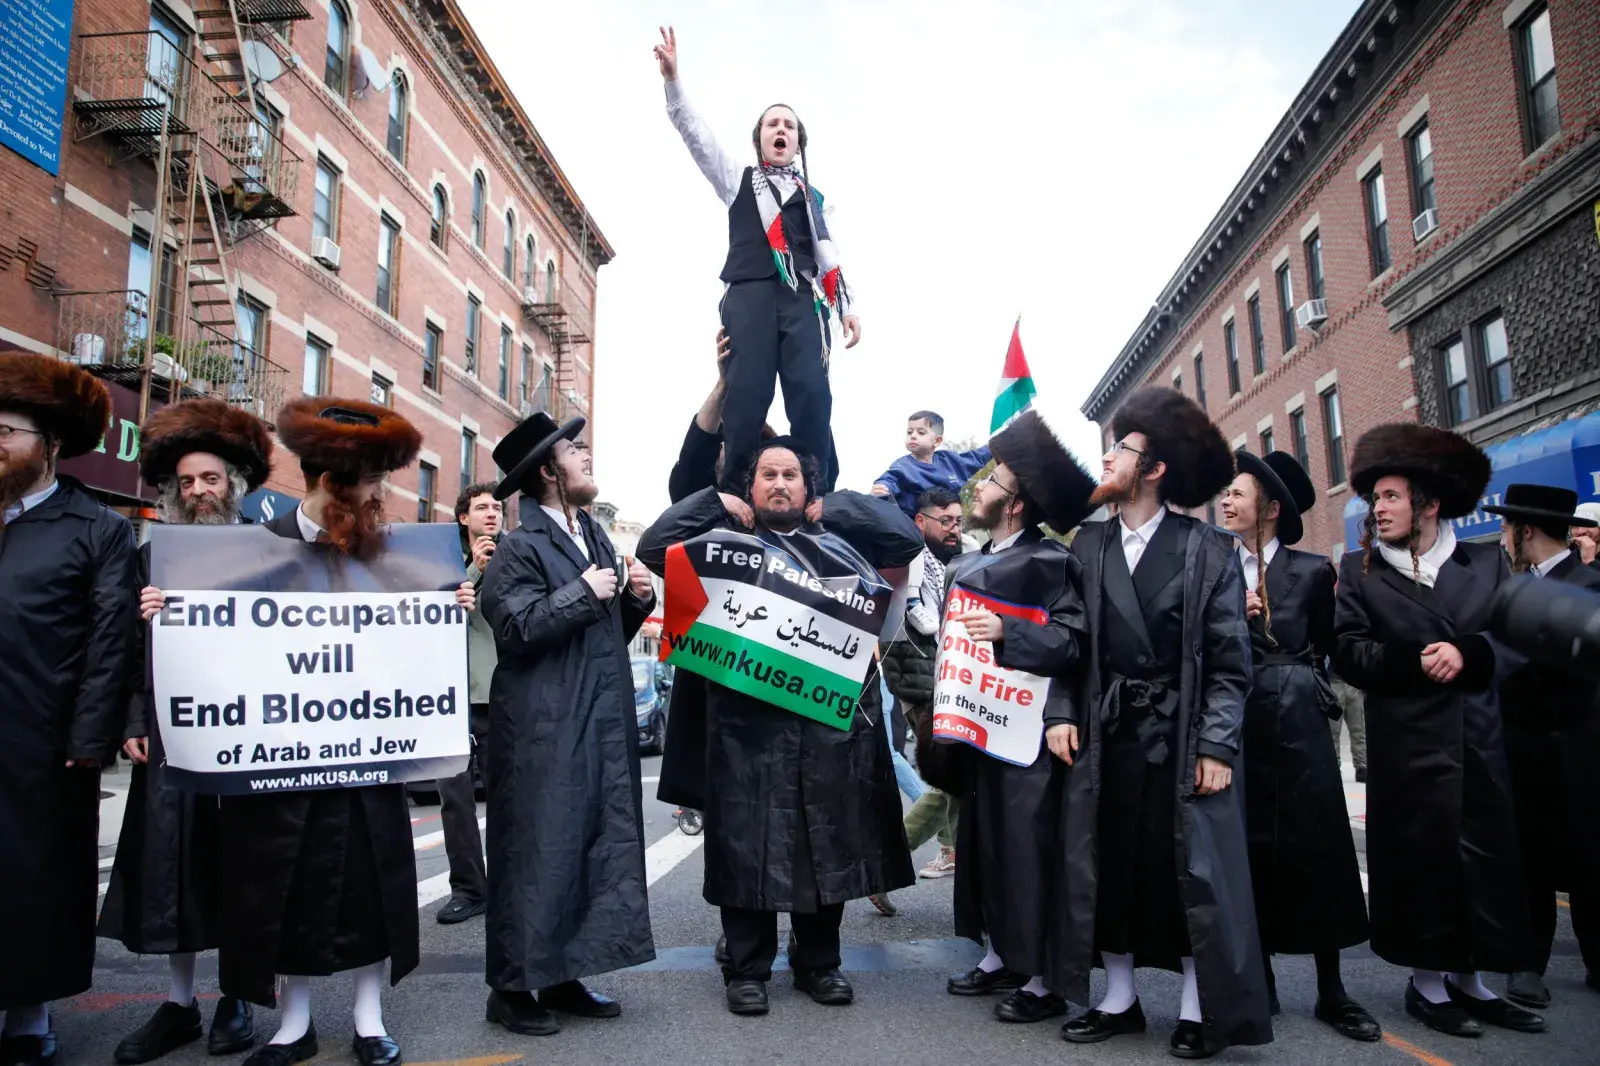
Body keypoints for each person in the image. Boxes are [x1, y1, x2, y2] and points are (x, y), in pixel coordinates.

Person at [209, 397, 471, 1066]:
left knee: (369, 887)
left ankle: (368, 1017)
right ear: (331, 483)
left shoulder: (395, 557)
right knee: (286, 886)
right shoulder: (254, 554)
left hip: (368, 756)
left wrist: (451, 605)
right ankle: (291, 1026)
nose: (381, 497)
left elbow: (417, 654)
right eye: (372, 484)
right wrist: (171, 611)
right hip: (285, 758)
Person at [638, 438, 921, 1016]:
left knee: (827, 844)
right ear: (752, 488)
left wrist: (835, 507)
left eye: (791, 474)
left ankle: (819, 963)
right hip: (746, 731)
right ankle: (747, 969)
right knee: (747, 848)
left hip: (829, 729)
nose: (779, 484)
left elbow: (907, 538)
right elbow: (652, 548)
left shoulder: (839, 544)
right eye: (767, 474)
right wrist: (716, 503)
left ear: (806, 487)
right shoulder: (723, 547)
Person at [1061, 386, 1270, 1060]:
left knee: (1187, 872)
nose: (1108, 458)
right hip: (1108, 732)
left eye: (1121, 449)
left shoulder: (1209, 549)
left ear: (1153, 470)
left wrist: (1216, 742)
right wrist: (1063, 715)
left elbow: (1233, 661)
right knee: (1110, 864)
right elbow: (1070, 645)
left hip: (1180, 738)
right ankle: (1118, 999)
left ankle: (1194, 1005)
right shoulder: (1087, 545)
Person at [1333, 423, 1543, 1039]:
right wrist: (1412, 661)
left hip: (1477, 741)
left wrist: (1472, 653)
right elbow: (1346, 651)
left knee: (1485, 863)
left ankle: (1472, 981)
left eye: (1393, 496)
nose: (1380, 508)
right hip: (1409, 746)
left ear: (1427, 503)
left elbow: (1517, 638)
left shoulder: (1484, 562)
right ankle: (1428, 985)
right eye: (1376, 499)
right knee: (1424, 865)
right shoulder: (1360, 570)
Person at [101, 399, 273, 1063]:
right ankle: (178, 1004)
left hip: (251, 735)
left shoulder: (266, 553)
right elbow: (123, 651)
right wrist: (136, 718)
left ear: (233, 484)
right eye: (188, 483)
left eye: (211, 479)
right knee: (173, 868)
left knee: (240, 865)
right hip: (174, 737)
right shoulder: (151, 561)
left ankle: (236, 997)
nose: (199, 491)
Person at [479, 412, 657, 1036]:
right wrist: (584, 590)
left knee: (586, 849)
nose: (584, 456)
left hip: (598, 723)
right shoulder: (518, 547)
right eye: (573, 451)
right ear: (549, 471)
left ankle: (563, 974)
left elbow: (601, 639)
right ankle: (510, 988)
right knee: (534, 853)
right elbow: (517, 629)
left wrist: (634, 600)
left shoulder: (596, 538)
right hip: (542, 730)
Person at [921, 411, 1096, 1024]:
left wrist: (1009, 630)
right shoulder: (963, 565)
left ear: (1016, 504)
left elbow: (1075, 642)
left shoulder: (1051, 562)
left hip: (1030, 733)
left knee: (1030, 851)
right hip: (977, 732)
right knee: (987, 846)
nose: (978, 490)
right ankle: (999, 954)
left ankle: (1045, 977)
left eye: (991, 481)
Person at [0, 351, 137, 1066]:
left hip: (41, 743)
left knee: (32, 883)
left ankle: (28, 1012)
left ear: (49, 446)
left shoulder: (97, 529)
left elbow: (110, 643)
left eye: (7, 431)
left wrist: (90, 737)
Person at [1218, 450, 1377, 1042]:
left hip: (1302, 716)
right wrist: (1234, 616)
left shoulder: (1312, 571)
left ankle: (1333, 989)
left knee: (1319, 844)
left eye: (1238, 493)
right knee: (1245, 845)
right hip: (1235, 720)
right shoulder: (1214, 568)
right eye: (1225, 493)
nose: (1226, 501)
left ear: (1271, 508)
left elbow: (1335, 647)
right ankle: (1258, 978)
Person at [656, 26, 859, 491]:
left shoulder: (816, 201)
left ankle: (816, 489)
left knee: (811, 388)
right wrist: (673, 80)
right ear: (760, 139)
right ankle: (735, 490)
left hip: (803, 299)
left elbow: (832, 257)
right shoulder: (738, 181)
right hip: (749, 293)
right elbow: (696, 136)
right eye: (773, 124)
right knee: (747, 392)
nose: (781, 130)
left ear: (799, 144)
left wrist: (847, 309)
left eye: (789, 125)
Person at [1484, 484, 1600, 1007]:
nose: (1506, 537)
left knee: (1588, 860)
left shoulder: (1590, 586)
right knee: (1527, 863)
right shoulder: (1510, 589)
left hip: (1578, 748)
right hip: (1522, 750)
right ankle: (1528, 965)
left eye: (1509, 527)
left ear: (1524, 530)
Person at [882, 488, 969, 881]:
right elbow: (906, 617)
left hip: (948, 680)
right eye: (945, 521)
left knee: (951, 778)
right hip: (922, 683)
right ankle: (890, 860)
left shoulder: (956, 555)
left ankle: (890, 859)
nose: (954, 529)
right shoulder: (910, 557)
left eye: (958, 520)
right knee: (950, 776)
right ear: (921, 521)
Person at [433, 483, 505, 926]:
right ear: (464, 517)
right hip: (449, 695)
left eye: (497, 507)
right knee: (454, 797)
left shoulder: (515, 556)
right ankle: (468, 888)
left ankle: (508, 881)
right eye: (482, 507)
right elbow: (438, 610)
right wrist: (474, 570)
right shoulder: (439, 559)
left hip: (498, 692)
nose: (492, 513)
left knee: (505, 794)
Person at [870, 411, 992, 517]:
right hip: (914, 529)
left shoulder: (950, 461)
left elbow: (977, 457)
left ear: (937, 441)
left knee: (970, 544)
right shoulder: (903, 466)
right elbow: (889, 479)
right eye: (909, 432)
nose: (913, 436)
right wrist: (883, 487)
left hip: (948, 527)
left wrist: (997, 444)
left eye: (921, 432)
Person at [1328, 669, 1367, 782]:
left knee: (1359, 728)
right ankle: (1335, 766)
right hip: (1333, 681)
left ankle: (1362, 766)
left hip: (1354, 683)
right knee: (1333, 730)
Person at [1572, 501, 1600, 567]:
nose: (1580, 531)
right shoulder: (1567, 556)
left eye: (1588, 525)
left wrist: (1589, 561)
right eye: (1574, 526)